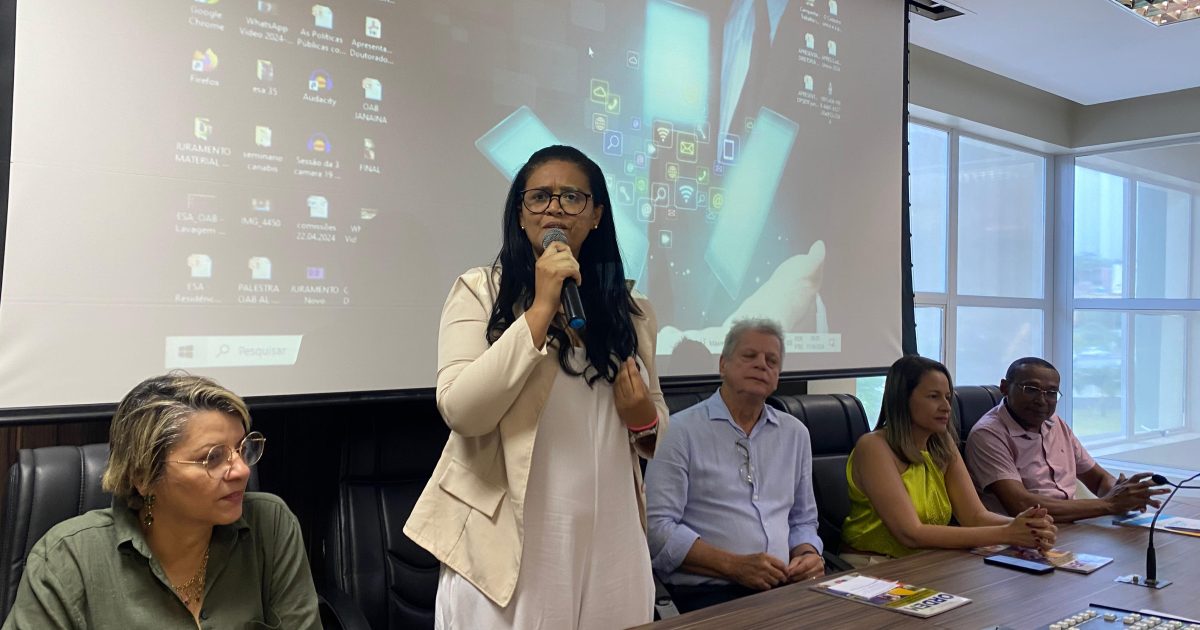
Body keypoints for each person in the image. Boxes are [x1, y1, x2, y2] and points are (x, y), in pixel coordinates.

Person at [403, 145, 669, 630]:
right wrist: (540, 310)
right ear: (521, 214)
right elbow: (462, 410)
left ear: (596, 215)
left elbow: (653, 422)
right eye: (540, 197)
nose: (555, 209)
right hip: (512, 541)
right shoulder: (480, 291)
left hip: (612, 539)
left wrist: (643, 420)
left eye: (572, 197)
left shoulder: (633, 312)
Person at [3, 373, 320, 629]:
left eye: (241, 449)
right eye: (212, 457)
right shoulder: (66, 558)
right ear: (143, 476)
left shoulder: (271, 525)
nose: (241, 470)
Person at [645, 318, 823, 613]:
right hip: (709, 595)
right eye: (749, 356)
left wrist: (807, 553)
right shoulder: (679, 431)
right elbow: (657, 530)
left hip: (784, 589)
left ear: (778, 376)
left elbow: (802, 520)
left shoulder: (795, 434)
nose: (761, 365)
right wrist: (734, 566)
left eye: (771, 360)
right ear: (723, 365)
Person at [840, 356, 1057, 567]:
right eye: (934, 396)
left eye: (947, 397)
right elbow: (911, 534)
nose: (946, 407)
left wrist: (1027, 526)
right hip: (873, 566)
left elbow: (975, 516)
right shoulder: (874, 446)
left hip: (926, 562)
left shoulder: (943, 445)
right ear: (903, 399)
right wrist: (1008, 533)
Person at [966, 357, 1169, 522]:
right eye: (1031, 389)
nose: (1041, 401)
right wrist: (1110, 504)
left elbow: (1098, 480)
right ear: (1004, 387)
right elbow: (1021, 504)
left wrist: (1124, 494)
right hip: (1021, 535)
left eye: (1051, 393)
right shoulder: (988, 434)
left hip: (1072, 525)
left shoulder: (1055, 423)